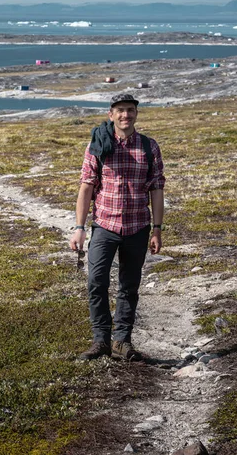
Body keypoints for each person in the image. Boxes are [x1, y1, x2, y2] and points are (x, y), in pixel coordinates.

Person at [69, 93, 165, 361]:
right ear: (111, 114)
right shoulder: (98, 145)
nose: (126, 115)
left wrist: (157, 228)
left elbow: (157, 189)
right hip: (104, 226)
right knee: (96, 282)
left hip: (137, 227)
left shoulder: (149, 147)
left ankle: (121, 341)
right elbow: (86, 187)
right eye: (121, 110)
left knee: (129, 286)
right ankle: (100, 340)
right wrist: (80, 227)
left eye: (131, 110)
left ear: (136, 114)